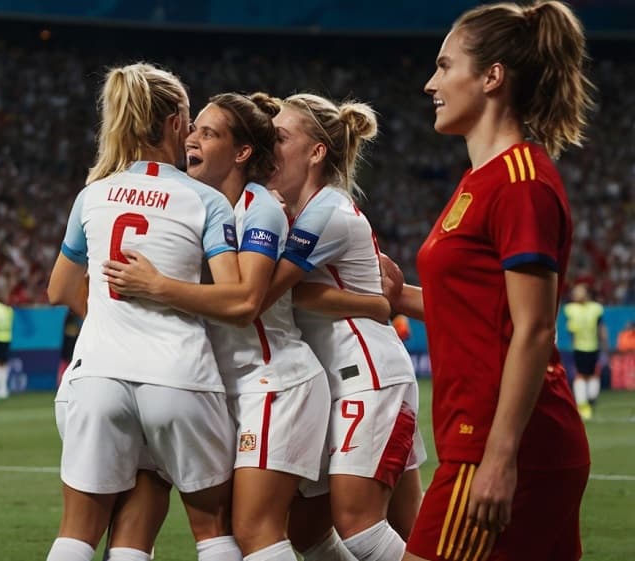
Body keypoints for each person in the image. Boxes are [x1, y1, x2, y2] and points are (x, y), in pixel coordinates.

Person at [104, 91, 395, 561]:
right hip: (227, 386)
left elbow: (247, 303)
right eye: (193, 130)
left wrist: (157, 285)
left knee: (257, 529)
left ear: (241, 153)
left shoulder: (260, 206)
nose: (191, 140)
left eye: (208, 133)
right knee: (294, 534)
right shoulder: (193, 204)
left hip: (274, 382)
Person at [386, 2, 594, 560]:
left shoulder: (520, 183)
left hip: (499, 445)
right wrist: (398, 296)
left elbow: (534, 328)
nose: (431, 83)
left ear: (492, 77)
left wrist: (500, 458)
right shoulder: (481, 179)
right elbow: (484, 309)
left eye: (444, 65)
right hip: (504, 441)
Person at [46, 62, 244, 561]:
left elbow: (58, 289)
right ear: (176, 122)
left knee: (77, 533)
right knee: (212, 529)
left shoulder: (93, 194)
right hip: (177, 376)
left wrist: (108, 316)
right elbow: (233, 297)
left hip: (97, 376)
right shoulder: (205, 200)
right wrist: (164, 290)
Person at [248, 93, 418, 561]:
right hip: (342, 380)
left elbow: (263, 293)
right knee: (310, 532)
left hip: (366, 377)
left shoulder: (325, 213)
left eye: (280, 138)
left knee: (360, 528)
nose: (268, 148)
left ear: (316, 152)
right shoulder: (300, 211)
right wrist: (372, 302)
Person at [563, 283, 607, 420]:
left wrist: (604, 346)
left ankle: (590, 400)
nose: (576, 294)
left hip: (594, 347)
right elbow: (571, 330)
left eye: (579, 291)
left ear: (587, 294)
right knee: (581, 375)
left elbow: (601, 328)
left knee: (593, 374)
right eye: (575, 292)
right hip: (579, 348)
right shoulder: (570, 309)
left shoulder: (595, 308)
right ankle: (583, 406)